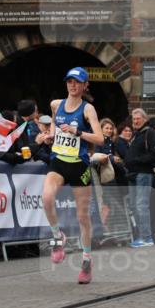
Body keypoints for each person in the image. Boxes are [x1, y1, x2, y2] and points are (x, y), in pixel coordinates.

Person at [37, 67, 105, 284]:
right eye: (69, 81)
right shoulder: (56, 105)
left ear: (85, 86)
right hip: (58, 161)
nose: (73, 85)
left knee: (82, 217)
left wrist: (78, 132)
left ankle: (86, 260)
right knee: (47, 197)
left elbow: (100, 138)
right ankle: (58, 237)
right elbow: (57, 124)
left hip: (79, 166)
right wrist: (51, 136)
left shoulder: (88, 110)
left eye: (77, 82)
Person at [124, 108, 155, 249]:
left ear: (145, 119)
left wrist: (136, 161)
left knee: (141, 205)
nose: (135, 121)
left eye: (138, 119)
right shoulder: (137, 134)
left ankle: (147, 238)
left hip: (144, 174)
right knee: (135, 206)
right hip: (134, 175)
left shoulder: (150, 133)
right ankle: (142, 237)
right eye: (133, 119)